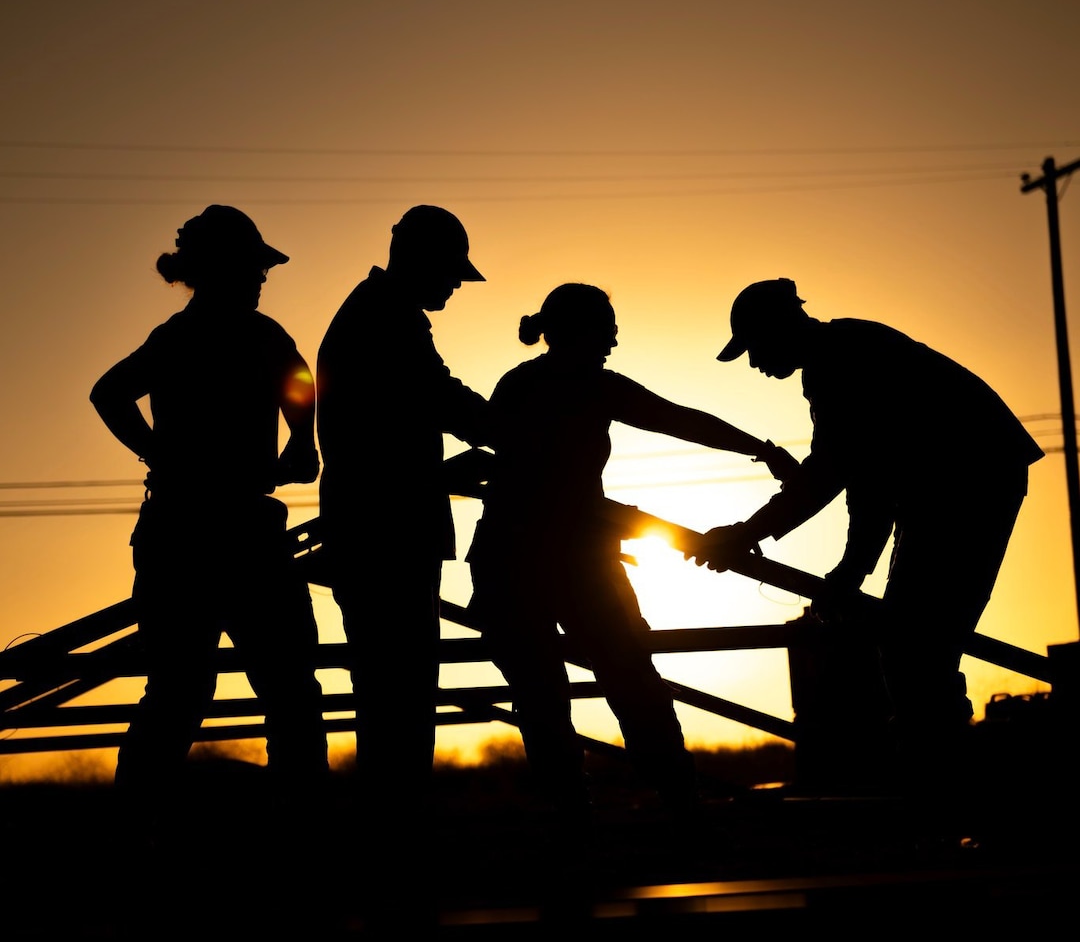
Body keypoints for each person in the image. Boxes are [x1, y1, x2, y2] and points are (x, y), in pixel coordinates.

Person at [694, 277, 1044, 797]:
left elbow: (842, 475)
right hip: (945, 488)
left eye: (754, 348)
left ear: (780, 328)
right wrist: (845, 568)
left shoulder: (843, 361)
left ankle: (951, 797)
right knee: (913, 647)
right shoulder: (839, 358)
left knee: (915, 649)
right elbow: (861, 478)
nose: (753, 363)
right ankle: (947, 793)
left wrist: (753, 535)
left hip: (969, 482)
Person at [466, 282, 799, 825]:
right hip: (560, 560)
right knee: (623, 682)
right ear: (581, 331)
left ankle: (584, 821)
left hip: (522, 560)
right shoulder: (585, 387)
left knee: (548, 695)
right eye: (608, 329)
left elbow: (677, 419)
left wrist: (758, 449)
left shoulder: (527, 384)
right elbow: (678, 419)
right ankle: (673, 808)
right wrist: (761, 450)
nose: (615, 341)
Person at [90, 204, 329, 807]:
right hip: (229, 533)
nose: (262, 279)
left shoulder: (185, 338)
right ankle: (302, 837)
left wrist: (158, 453)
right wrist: (302, 443)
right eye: (254, 268)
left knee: (182, 693)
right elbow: (299, 384)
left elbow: (110, 392)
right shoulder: (250, 334)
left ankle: (134, 832)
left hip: (186, 530)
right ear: (223, 270)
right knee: (281, 692)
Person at [315, 205, 491, 827]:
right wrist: (514, 431)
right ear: (423, 260)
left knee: (391, 694)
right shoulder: (387, 317)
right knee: (402, 694)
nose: (452, 287)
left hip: (373, 528)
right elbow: (435, 399)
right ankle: (395, 837)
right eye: (450, 273)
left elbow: (394, 422)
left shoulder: (375, 311)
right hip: (385, 534)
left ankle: (390, 833)